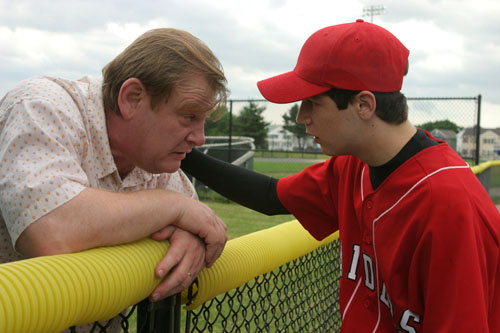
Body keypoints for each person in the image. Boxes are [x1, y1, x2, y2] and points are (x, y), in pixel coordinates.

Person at [181, 20, 500, 332]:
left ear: (364, 104)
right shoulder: (354, 165)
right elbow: (270, 196)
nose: (300, 117)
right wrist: (182, 152)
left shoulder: (449, 204)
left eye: (313, 103)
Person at [0, 28, 228, 330]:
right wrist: (172, 207)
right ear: (132, 98)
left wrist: (191, 235)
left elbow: (201, 224)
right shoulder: (41, 106)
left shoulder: (152, 159)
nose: (199, 138)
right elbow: (49, 231)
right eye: (188, 116)